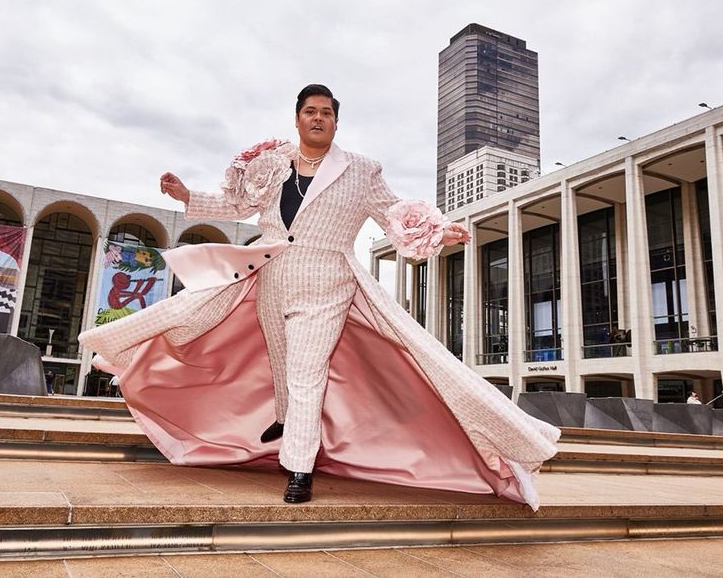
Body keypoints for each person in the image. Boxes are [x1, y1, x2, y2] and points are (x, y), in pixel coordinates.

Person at [79, 84, 560, 508]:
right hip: (270, 275)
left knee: (308, 371)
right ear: (297, 118)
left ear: (335, 121)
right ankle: (286, 420)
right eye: (310, 111)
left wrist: (437, 231)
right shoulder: (269, 163)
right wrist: (188, 196)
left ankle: (299, 467)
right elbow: (236, 204)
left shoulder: (361, 169)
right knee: (281, 360)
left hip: (328, 280)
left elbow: (392, 212)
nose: (318, 118)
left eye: (326, 112)